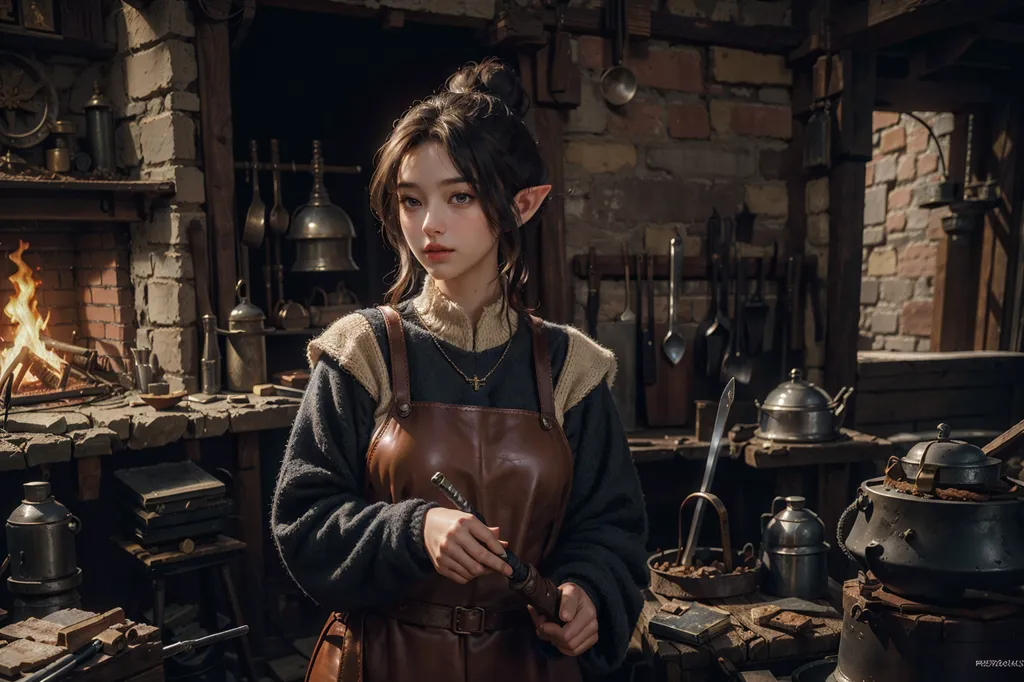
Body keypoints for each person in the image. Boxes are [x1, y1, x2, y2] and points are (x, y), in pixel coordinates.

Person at [271, 58, 649, 682]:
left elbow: (612, 530)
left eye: (460, 196)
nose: (429, 226)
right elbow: (302, 525)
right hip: (386, 664)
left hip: (530, 665)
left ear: (522, 205)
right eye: (411, 201)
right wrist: (412, 530)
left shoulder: (571, 366)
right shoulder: (360, 351)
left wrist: (590, 593)